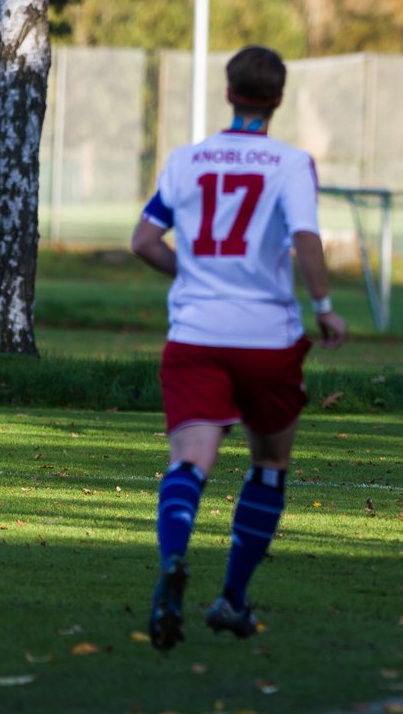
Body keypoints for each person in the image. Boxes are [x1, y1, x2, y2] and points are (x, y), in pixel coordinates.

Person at [131, 45, 347, 652]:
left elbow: (144, 241)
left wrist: (195, 279)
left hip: (196, 335)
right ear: (277, 98)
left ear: (228, 92)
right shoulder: (290, 161)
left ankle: (174, 559)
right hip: (266, 339)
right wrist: (325, 306)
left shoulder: (185, 160)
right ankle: (231, 598)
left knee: (190, 462)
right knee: (269, 464)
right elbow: (305, 236)